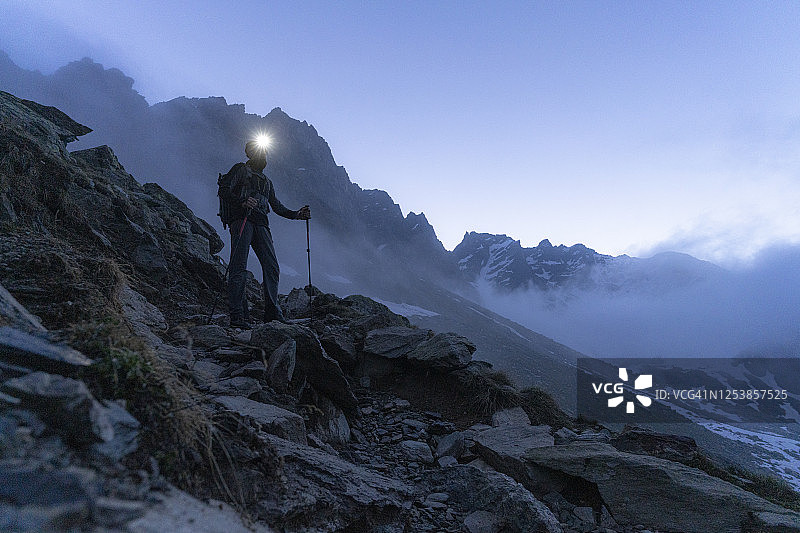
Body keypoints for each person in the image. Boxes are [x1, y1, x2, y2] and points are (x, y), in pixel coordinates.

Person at [220, 140, 310, 329]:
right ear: (250, 153)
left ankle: (271, 314)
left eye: (264, 153)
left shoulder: (267, 182)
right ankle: (238, 316)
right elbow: (224, 190)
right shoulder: (239, 169)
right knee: (239, 267)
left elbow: (276, 206)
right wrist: (242, 201)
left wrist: (296, 215)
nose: (262, 156)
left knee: (271, 267)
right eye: (258, 152)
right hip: (242, 219)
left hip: (260, 223)